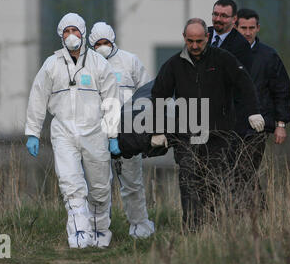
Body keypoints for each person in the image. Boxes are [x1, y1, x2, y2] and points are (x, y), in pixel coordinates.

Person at [151, 18, 265, 230]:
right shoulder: (174, 65)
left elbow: (245, 84)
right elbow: (158, 95)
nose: (195, 46)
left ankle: (213, 228)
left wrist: (253, 112)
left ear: (208, 38)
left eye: (199, 41)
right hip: (186, 134)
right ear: (184, 38)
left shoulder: (223, 59)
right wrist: (158, 130)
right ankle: (192, 230)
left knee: (214, 182)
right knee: (188, 180)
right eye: (190, 41)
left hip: (218, 134)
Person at [24, 13, 120, 249]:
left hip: (95, 131)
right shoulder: (52, 64)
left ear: (83, 33)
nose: (70, 36)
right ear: (60, 35)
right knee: (71, 185)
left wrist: (113, 134)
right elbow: (38, 97)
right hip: (64, 132)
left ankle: (100, 230)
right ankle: (79, 234)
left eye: (74, 31)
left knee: (99, 186)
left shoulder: (98, 63)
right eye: (66, 32)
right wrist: (33, 132)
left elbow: (111, 99)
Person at [88, 22, 155, 239]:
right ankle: (98, 230)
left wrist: (143, 132)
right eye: (98, 43)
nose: (103, 47)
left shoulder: (129, 61)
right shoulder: (85, 65)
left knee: (132, 183)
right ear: (91, 44)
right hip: (96, 134)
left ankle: (140, 228)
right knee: (98, 185)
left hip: (127, 133)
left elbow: (146, 93)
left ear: (113, 41)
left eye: (106, 42)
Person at [234, 8, 290, 206]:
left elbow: (282, 90)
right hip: (232, 124)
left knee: (245, 168)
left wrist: (281, 124)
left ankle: (257, 210)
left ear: (258, 28)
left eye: (251, 28)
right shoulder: (225, 54)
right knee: (236, 171)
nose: (248, 32)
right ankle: (252, 211)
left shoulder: (269, 56)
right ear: (235, 27)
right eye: (243, 28)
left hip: (259, 124)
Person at [209, 0, 252, 72]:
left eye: (224, 16)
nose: (218, 19)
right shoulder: (202, 34)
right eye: (215, 14)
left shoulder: (241, 45)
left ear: (234, 19)